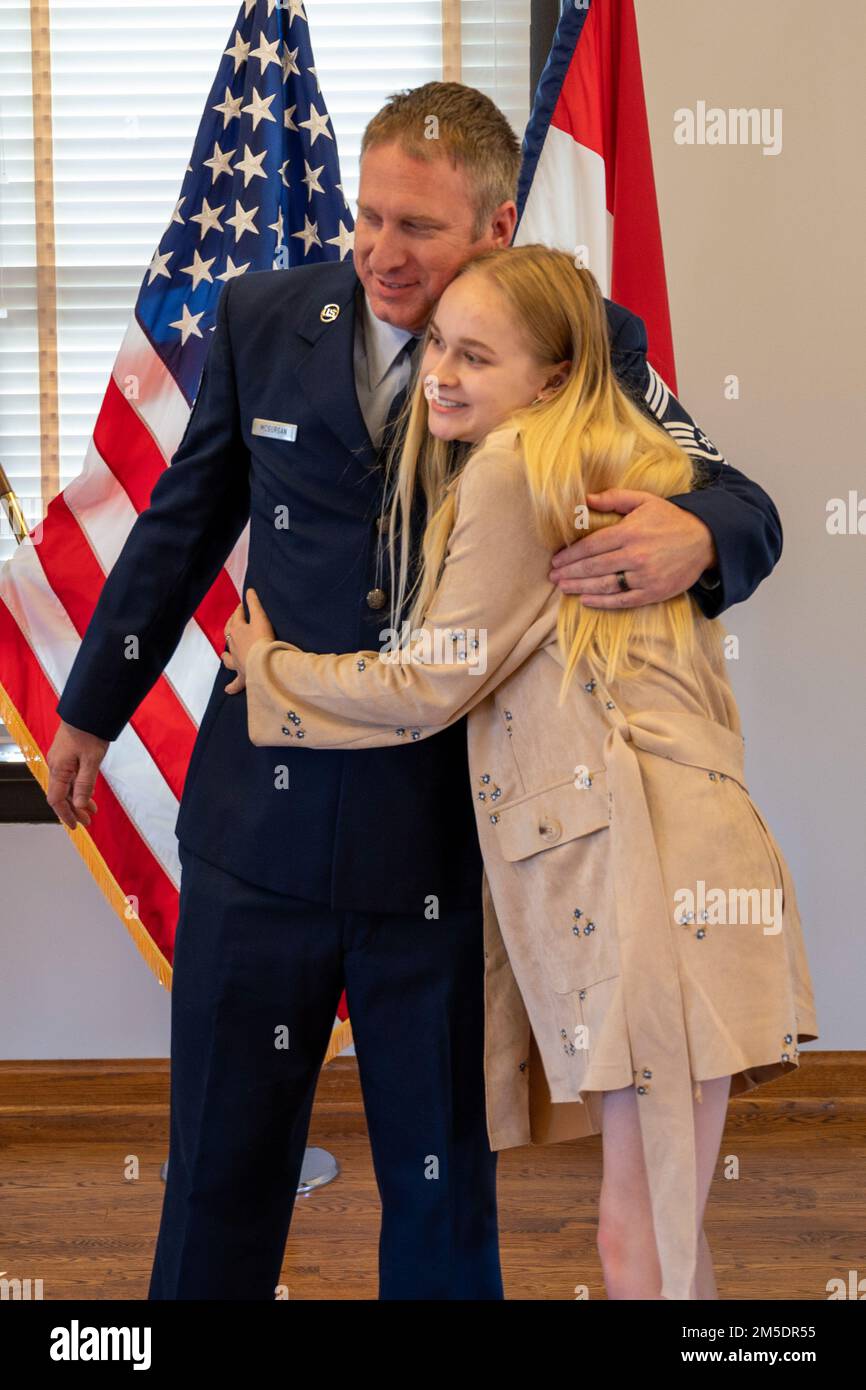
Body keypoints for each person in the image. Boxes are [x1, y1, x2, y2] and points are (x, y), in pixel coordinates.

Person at [46, 82, 784, 1301]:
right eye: (369, 218)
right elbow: (179, 527)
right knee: (217, 1181)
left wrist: (697, 536)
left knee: (441, 1202)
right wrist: (87, 710)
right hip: (256, 837)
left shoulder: (573, 335)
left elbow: (733, 494)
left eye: (420, 229)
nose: (384, 254)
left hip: (445, 848)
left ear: (496, 228)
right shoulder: (261, 316)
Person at [224, 242, 819, 1302]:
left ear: (547, 376)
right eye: (437, 346)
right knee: (664, 1231)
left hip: (646, 875)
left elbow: (427, 684)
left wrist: (271, 672)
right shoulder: (601, 442)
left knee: (637, 1243)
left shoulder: (512, 467)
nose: (441, 374)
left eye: (475, 356)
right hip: (689, 863)